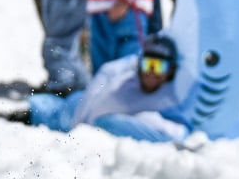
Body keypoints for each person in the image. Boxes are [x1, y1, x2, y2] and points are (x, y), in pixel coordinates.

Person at [28, 34, 184, 139]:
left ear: (170, 70)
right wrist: (77, 130)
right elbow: (90, 105)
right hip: (81, 107)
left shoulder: (171, 96)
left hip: (93, 114)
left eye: (158, 67)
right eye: (147, 64)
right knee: (50, 112)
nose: (150, 72)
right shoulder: (123, 80)